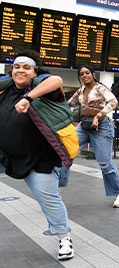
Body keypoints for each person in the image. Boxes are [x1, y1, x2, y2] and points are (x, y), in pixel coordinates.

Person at [0, 50, 74, 260]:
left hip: (39, 160)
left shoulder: (43, 90)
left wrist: (28, 98)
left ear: (34, 72)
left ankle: (64, 236)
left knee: (49, 200)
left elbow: (57, 79)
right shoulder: (5, 90)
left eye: (26, 67)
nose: (20, 70)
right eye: (17, 66)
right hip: (6, 155)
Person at [68, 65, 119, 208]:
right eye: (81, 74)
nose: (84, 76)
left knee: (104, 162)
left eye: (87, 73)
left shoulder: (100, 88)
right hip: (85, 126)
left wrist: (99, 115)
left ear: (93, 74)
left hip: (102, 126)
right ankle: (56, 185)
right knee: (65, 149)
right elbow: (69, 104)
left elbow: (113, 102)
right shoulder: (80, 91)